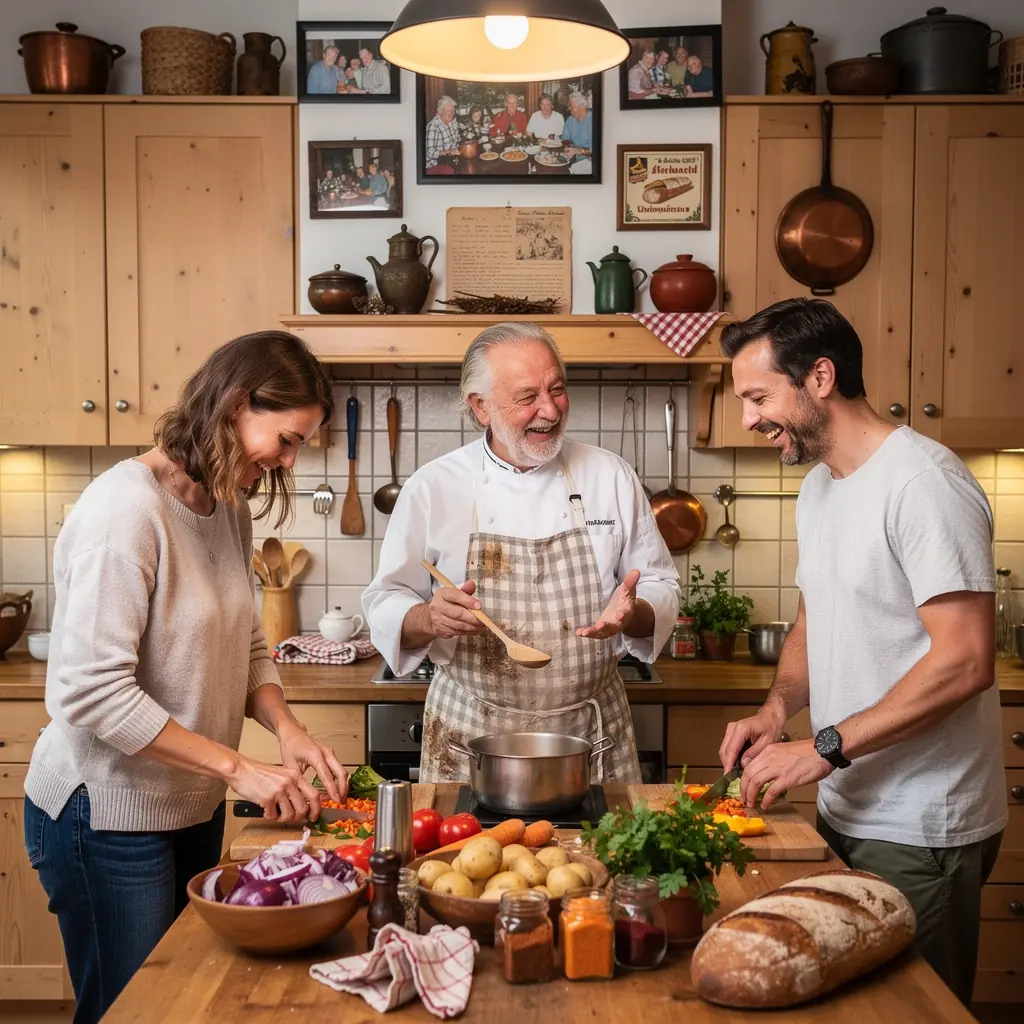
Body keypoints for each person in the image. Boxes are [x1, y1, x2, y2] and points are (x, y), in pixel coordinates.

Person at [23, 332, 349, 1024]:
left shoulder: (226, 503)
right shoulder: (124, 512)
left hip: (188, 804)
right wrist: (238, 769)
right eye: (286, 439)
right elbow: (88, 692)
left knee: (189, 1003)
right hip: (104, 815)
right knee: (133, 1011)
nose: (287, 461)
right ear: (236, 406)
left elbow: (247, 641)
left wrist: (285, 731)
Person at [716, 299, 1005, 1006]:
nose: (748, 420)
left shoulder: (924, 484)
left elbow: (966, 660)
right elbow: (815, 624)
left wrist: (823, 748)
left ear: (820, 377)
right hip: (850, 803)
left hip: (921, 820)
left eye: (758, 397)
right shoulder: (819, 487)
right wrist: (777, 710)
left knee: (910, 1010)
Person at [362, 322, 679, 785]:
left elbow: (659, 584)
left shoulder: (610, 475)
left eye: (557, 389)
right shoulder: (433, 487)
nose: (549, 410)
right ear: (480, 406)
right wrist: (428, 619)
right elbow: (384, 602)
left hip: (589, 736)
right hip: (471, 734)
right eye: (527, 397)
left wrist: (633, 615)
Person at [424, 95, 461, 170]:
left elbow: (458, 141)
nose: (452, 113)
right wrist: (450, 151)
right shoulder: (433, 127)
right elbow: (429, 152)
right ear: (440, 111)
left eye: (453, 110)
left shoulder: (453, 123)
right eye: (449, 111)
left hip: (450, 161)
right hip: (434, 165)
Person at [561, 91, 594, 173]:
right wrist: (568, 149)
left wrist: (579, 151)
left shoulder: (593, 121)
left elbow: (597, 149)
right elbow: (565, 139)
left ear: (581, 107)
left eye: (571, 107)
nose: (569, 110)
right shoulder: (570, 120)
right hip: (573, 161)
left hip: (590, 163)